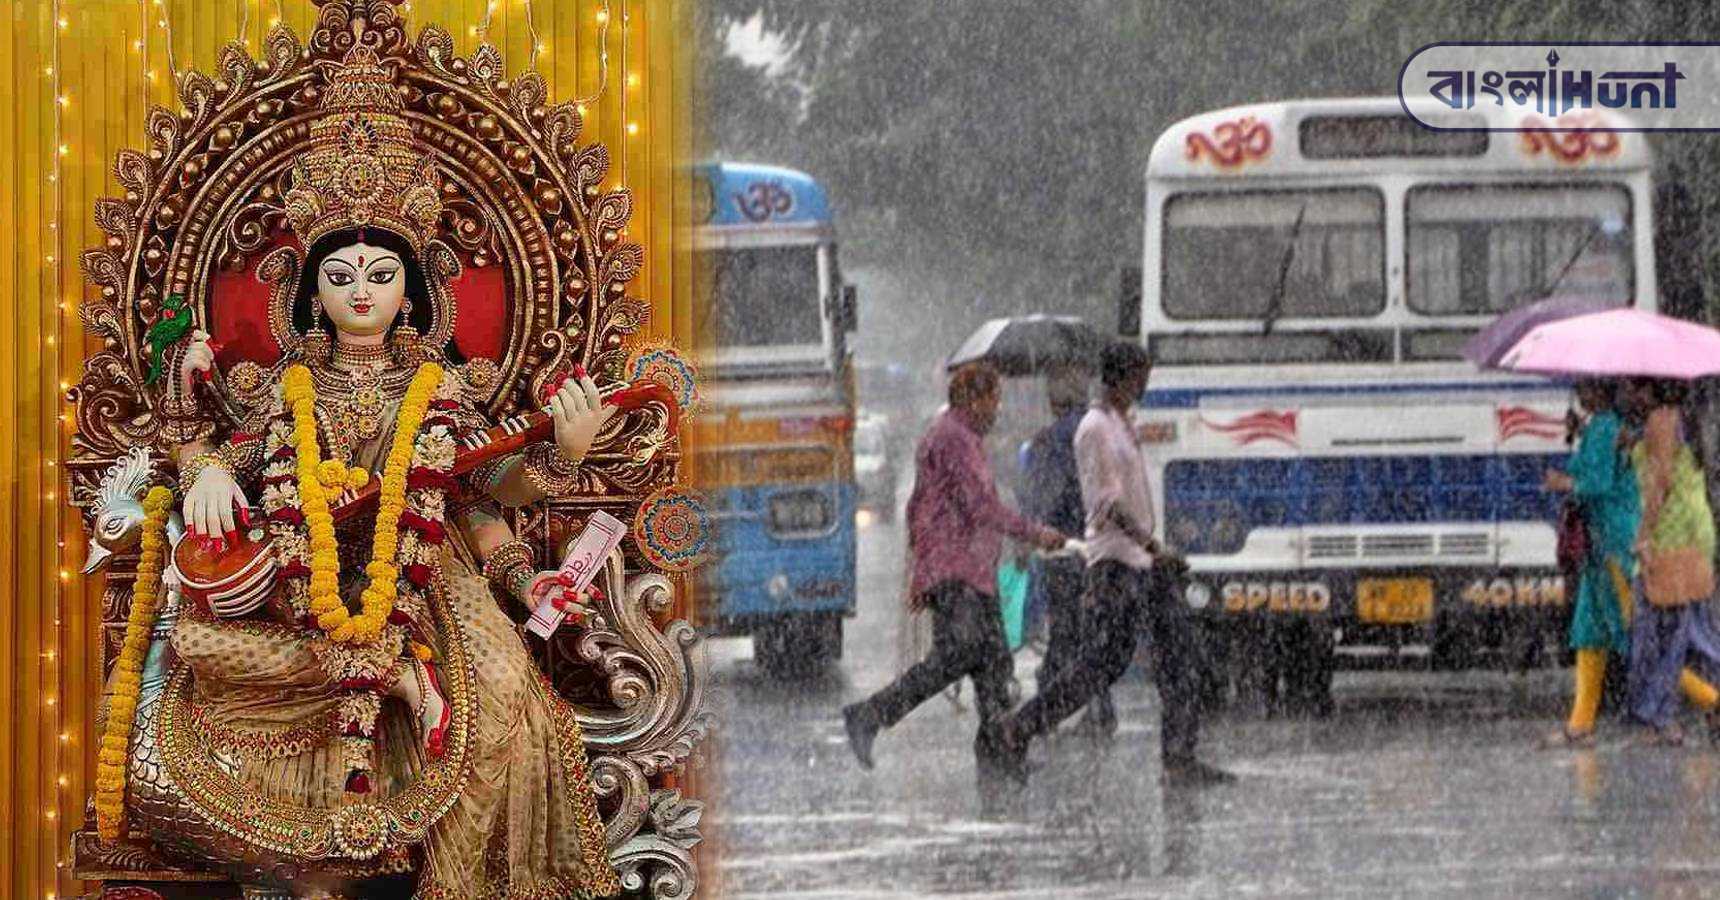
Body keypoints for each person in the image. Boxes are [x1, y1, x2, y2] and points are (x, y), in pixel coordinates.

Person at [152, 46, 621, 895]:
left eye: (379, 275)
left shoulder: (435, 387)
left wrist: (557, 473)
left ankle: (448, 885)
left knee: (505, 704)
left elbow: (484, 497)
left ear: (410, 294)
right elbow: (224, 452)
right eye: (338, 276)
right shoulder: (286, 387)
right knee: (193, 645)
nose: (359, 292)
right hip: (306, 583)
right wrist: (205, 471)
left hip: (429, 578)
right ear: (310, 293)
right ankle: (377, 702)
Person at [989, 342, 1232, 787]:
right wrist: (1153, 546)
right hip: (1116, 565)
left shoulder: (1122, 423)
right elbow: (1106, 503)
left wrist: (1153, 551)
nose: (1146, 385)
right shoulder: (1095, 428)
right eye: (1141, 376)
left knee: (1179, 658)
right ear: (1123, 377)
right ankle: (1016, 729)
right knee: (1097, 669)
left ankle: (1179, 757)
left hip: (1143, 563)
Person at [842, 362, 1066, 775]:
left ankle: (1000, 751)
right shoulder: (952, 439)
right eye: (992, 401)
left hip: (971, 569)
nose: (997, 411)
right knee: (958, 655)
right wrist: (1033, 532)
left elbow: (918, 507)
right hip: (957, 570)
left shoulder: (958, 437)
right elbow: (978, 505)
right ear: (971, 400)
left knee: (994, 663)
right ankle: (871, 714)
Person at [1543, 378, 1641, 747]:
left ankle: (1709, 698)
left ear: (1600, 391)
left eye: (1585, 387)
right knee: (1589, 632)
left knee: (1634, 634)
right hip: (1597, 548)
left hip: (1614, 543)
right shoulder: (1601, 426)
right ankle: (1580, 722)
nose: (1580, 394)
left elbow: (1597, 483)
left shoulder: (1605, 427)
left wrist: (1562, 483)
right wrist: (1578, 434)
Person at [1019, 366, 1115, 733]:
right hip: (1101, 546)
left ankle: (1044, 712)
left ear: (1053, 400)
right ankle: (1100, 708)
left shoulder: (1049, 440)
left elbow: (1042, 494)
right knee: (1094, 631)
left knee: (1064, 631)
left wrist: (1034, 531)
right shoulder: (1099, 432)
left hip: (1064, 548)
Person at [1624, 378, 1720, 744]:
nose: (1628, 394)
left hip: (1672, 535)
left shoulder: (1661, 419)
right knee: (1690, 630)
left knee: (1661, 634)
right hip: (1690, 533)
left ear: (1651, 391)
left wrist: (1645, 535)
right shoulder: (1682, 418)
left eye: (1634, 387)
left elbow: (1660, 482)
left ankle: (1660, 717)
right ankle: (1662, 716)